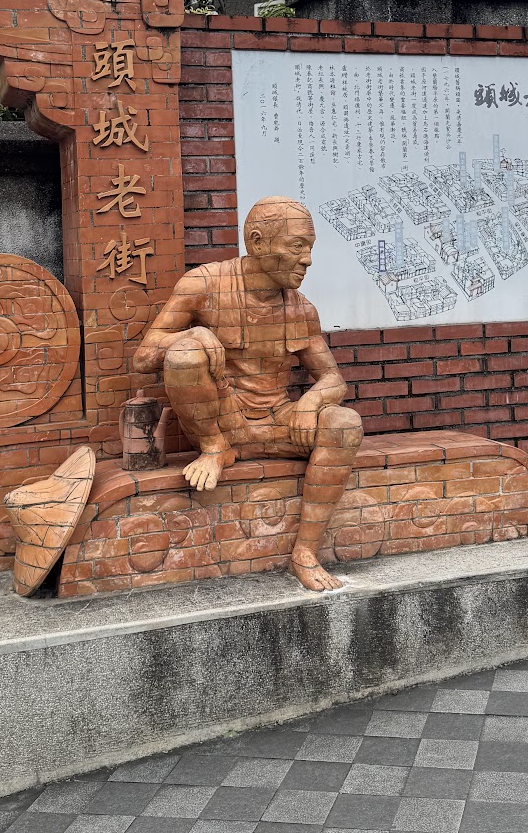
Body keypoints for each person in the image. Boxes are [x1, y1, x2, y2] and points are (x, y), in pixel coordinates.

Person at [132, 196, 363, 591]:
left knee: (344, 423)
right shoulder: (204, 284)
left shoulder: (301, 309)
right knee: (186, 353)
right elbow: (143, 357)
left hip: (278, 421)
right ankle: (215, 450)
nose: (307, 260)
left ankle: (305, 552)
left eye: (310, 248)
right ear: (257, 242)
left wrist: (311, 401)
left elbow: (333, 379)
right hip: (222, 421)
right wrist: (196, 335)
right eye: (297, 246)